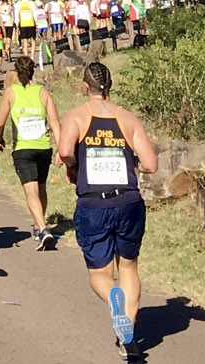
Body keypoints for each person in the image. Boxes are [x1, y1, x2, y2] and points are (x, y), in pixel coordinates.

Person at [58, 61, 158, 360]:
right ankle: (127, 339)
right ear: (110, 86)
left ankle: (113, 299)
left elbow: (64, 151)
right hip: (128, 200)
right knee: (128, 266)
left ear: (84, 87)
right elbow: (151, 165)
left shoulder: (77, 116)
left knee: (101, 274)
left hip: (93, 203)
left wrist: (74, 165)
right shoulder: (127, 119)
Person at [0, 54, 62, 249]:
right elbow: (55, 122)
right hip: (43, 148)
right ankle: (39, 226)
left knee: (31, 192)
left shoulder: (10, 92)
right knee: (41, 188)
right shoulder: (43, 92)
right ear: (32, 72)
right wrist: (61, 149)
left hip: (23, 148)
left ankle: (42, 228)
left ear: (16, 72)